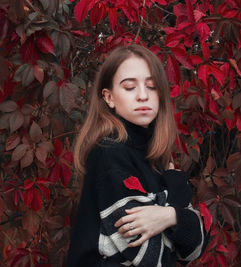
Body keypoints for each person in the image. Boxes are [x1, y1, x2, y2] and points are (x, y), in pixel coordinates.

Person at [67, 44, 206, 266]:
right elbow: (150, 257)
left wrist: (168, 216)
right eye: (130, 87)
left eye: (151, 87)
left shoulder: (155, 157)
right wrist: (179, 204)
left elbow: (194, 249)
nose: (143, 96)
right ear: (109, 97)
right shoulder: (110, 154)